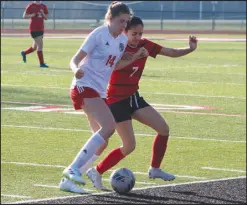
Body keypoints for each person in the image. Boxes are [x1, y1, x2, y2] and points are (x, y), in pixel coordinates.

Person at [60, 16, 198, 192]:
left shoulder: (145, 44)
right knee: (129, 145)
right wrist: (133, 57)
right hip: (116, 99)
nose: (138, 37)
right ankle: (96, 171)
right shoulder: (118, 45)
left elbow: (170, 52)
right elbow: (112, 66)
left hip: (133, 96)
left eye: (140, 33)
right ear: (125, 31)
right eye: (134, 33)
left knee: (163, 128)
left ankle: (154, 169)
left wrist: (190, 49)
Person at [59, 3, 149, 194]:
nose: (124, 25)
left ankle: (68, 181)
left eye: (126, 22)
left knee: (103, 140)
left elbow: (113, 66)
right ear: (110, 18)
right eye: (120, 21)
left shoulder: (122, 40)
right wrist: (77, 70)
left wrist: (134, 58)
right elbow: (74, 59)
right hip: (83, 86)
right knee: (108, 127)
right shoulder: (99, 34)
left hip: (99, 91)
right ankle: (72, 169)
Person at [21, 1, 49, 68]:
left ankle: (24, 53)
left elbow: (46, 18)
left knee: (34, 47)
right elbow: (24, 16)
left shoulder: (44, 6)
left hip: (41, 29)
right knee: (40, 45)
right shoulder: (31, 5)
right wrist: (32, 15)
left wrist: (42, 13)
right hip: (34, 29)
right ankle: (41, 64)